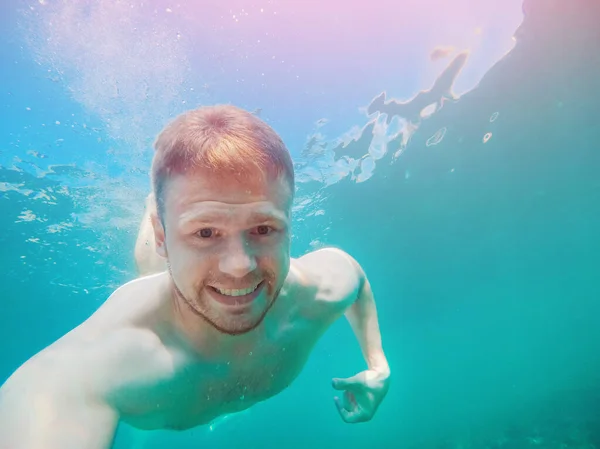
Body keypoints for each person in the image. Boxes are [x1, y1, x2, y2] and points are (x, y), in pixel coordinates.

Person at [0, 105, 391, 449]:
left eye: (263, 229)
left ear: (290, 227)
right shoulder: (96, 365)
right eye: (205, 233)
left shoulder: (316, 289)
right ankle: (156, 208)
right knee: (151, 262)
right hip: (158, 269)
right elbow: (48, 395)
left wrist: (378, 365)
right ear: (163, 236)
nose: (240, 266)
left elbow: (354, 278)